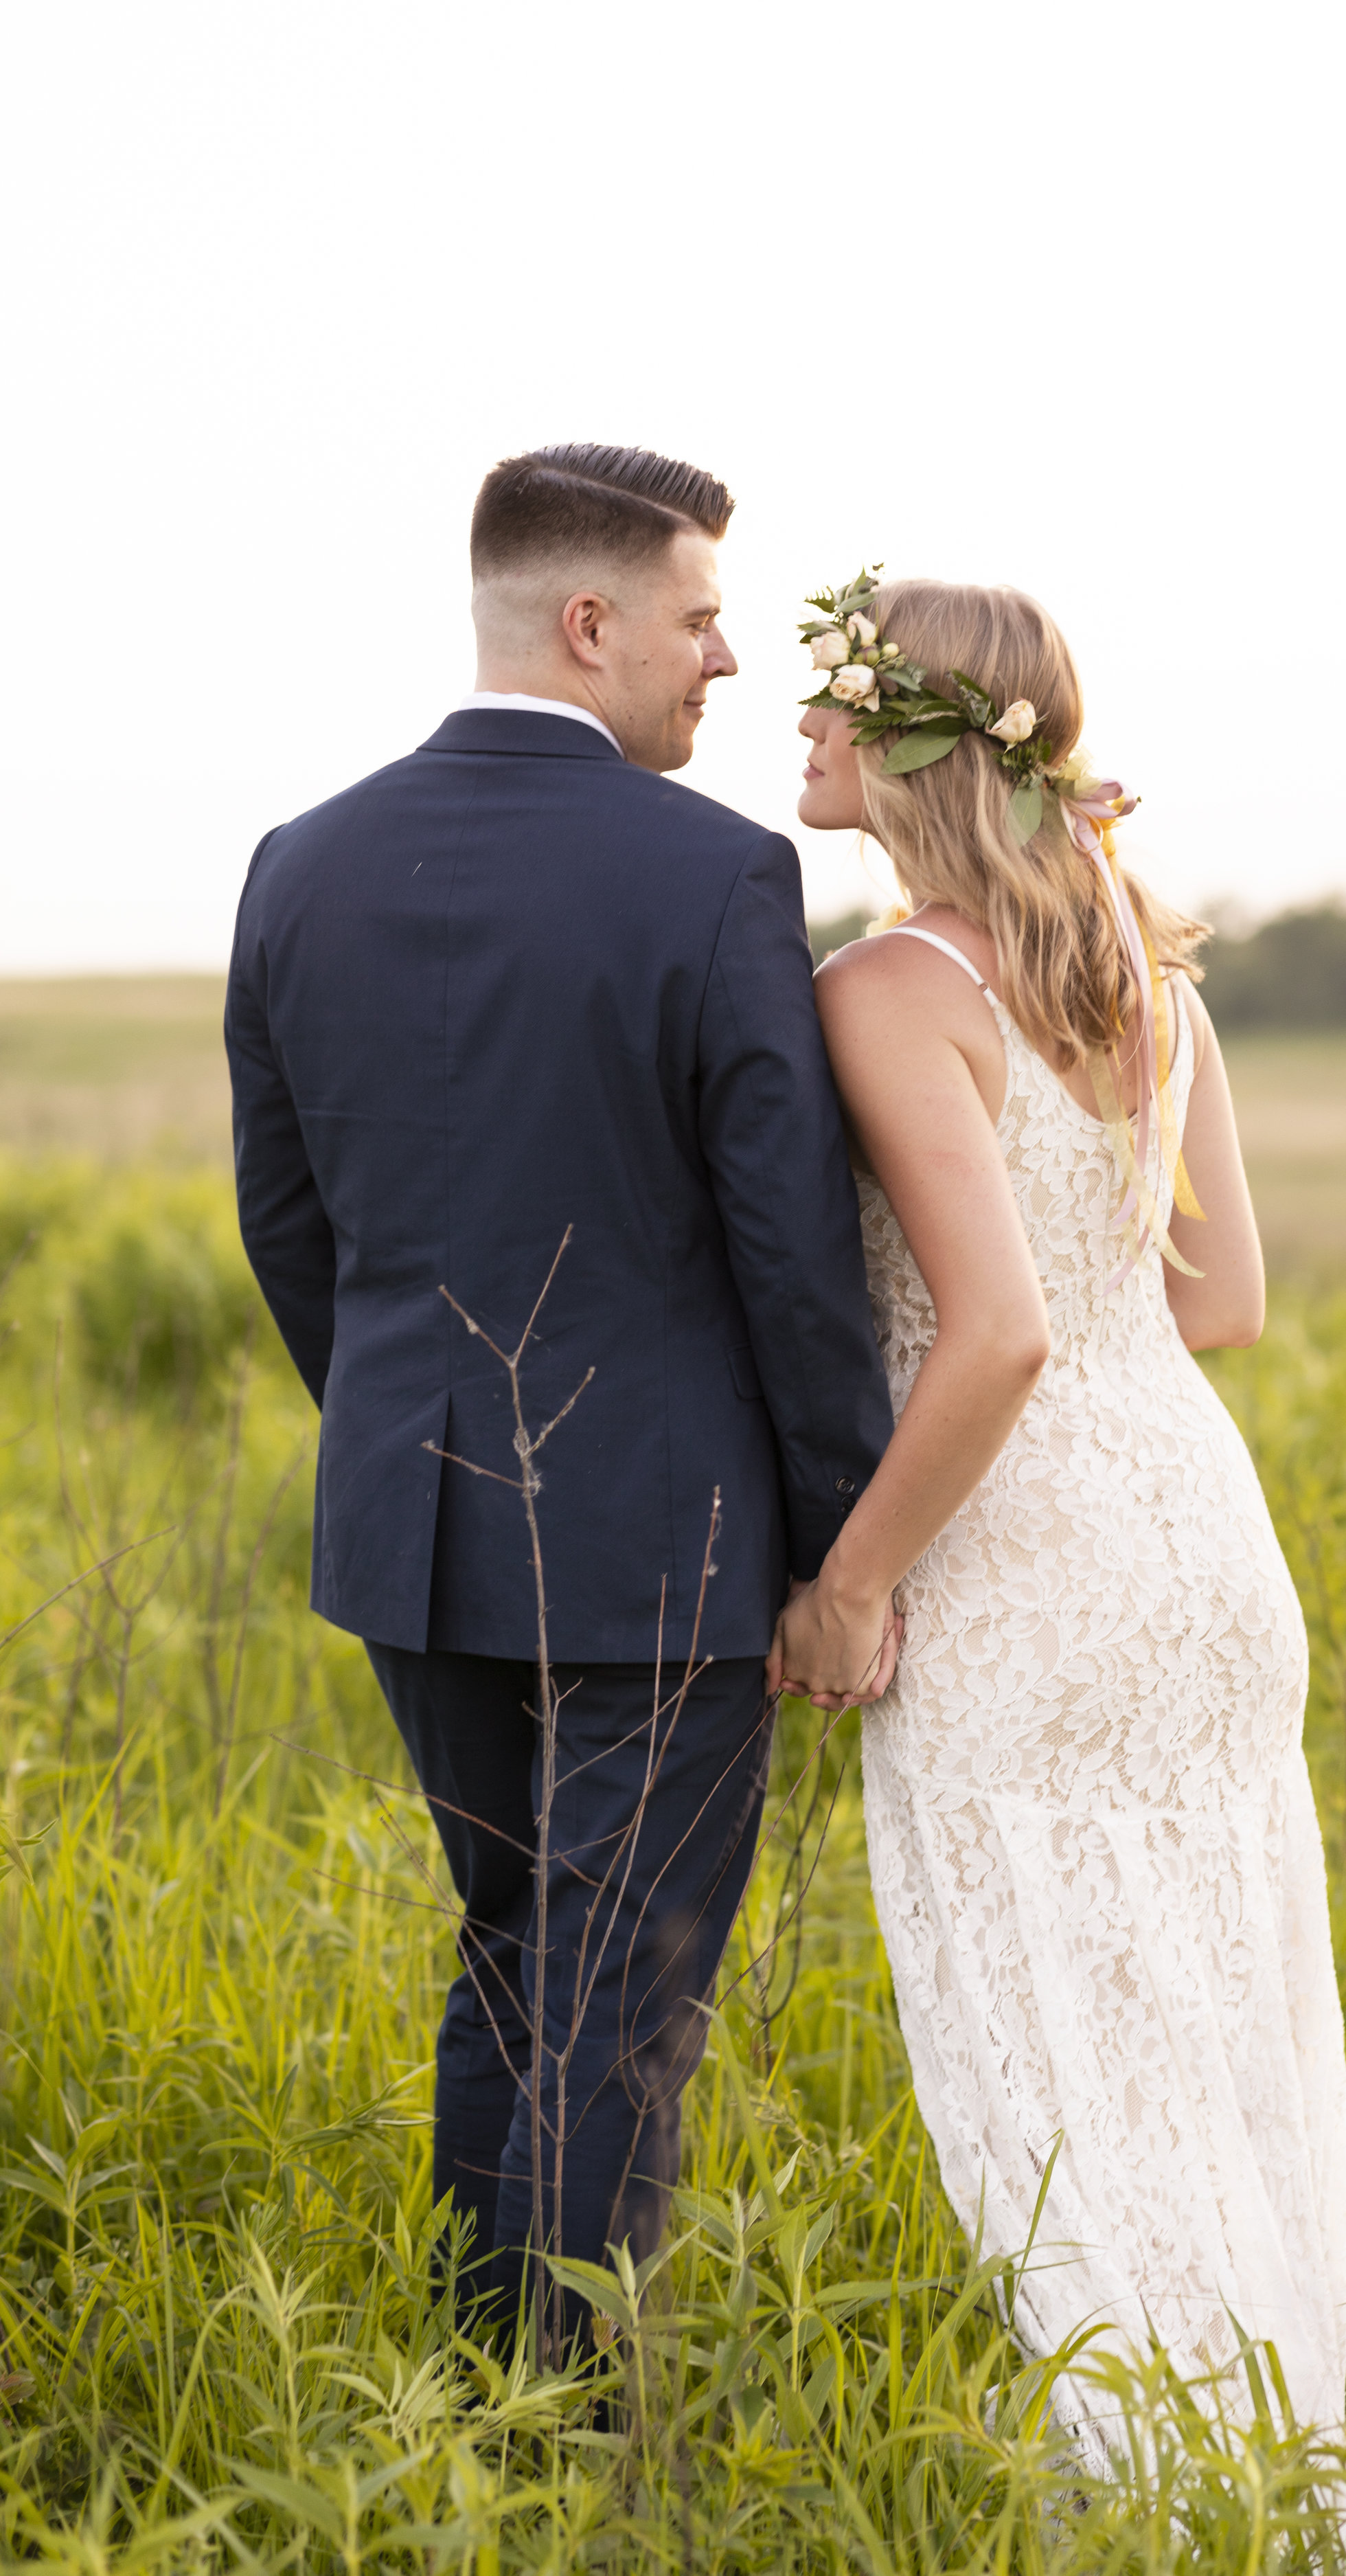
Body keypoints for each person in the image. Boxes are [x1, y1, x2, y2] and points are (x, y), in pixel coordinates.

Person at [225, 447, 896, 2341]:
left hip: (409, 1522)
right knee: (627, 1986)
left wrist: (393, 1435)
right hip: (663, 1543)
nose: (730, 662)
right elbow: (789, 1251)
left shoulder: (302, 858)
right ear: (588, 623)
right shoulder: (714, 874)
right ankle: (568, 2435)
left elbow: (289, 1224)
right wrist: (845, 1542)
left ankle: (474, 2398)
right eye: (700, 619)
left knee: (518, 1960)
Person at [771, 570, 1346, 2461]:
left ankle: (1170, 2504)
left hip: (1026, 1566)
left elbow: (996, 1337)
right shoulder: (1141, 966)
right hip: (1195, 1531)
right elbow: (1217, 1303)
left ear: (910, 740)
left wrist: (851, 1587)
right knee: (1209, 2020)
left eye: (824, 710)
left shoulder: (881, 990)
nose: (798, 739)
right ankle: (1263, 2470)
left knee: (1057, 2047)